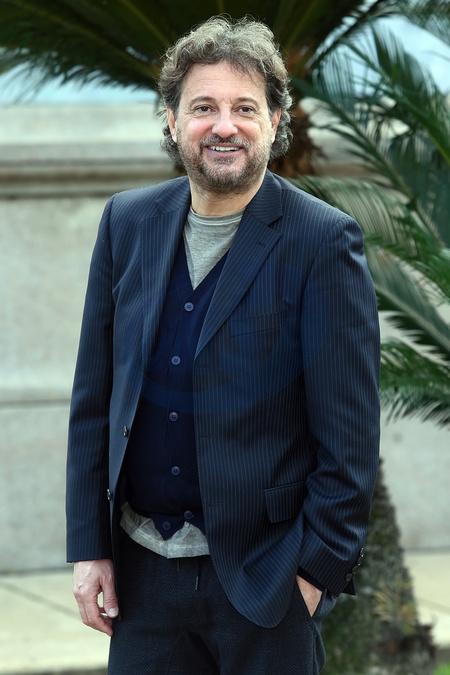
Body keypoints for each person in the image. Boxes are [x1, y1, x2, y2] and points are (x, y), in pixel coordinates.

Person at [66, 15, 380, 674]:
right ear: (173, 121)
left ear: (274, 121)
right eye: (203, 107)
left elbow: (349, 437)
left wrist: (313, 575)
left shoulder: (322, 241)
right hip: (143, 582)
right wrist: (90, 547)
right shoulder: (126, 222)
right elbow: (94, 401)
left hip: (268, 584)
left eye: (245, 107)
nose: (224, 125)